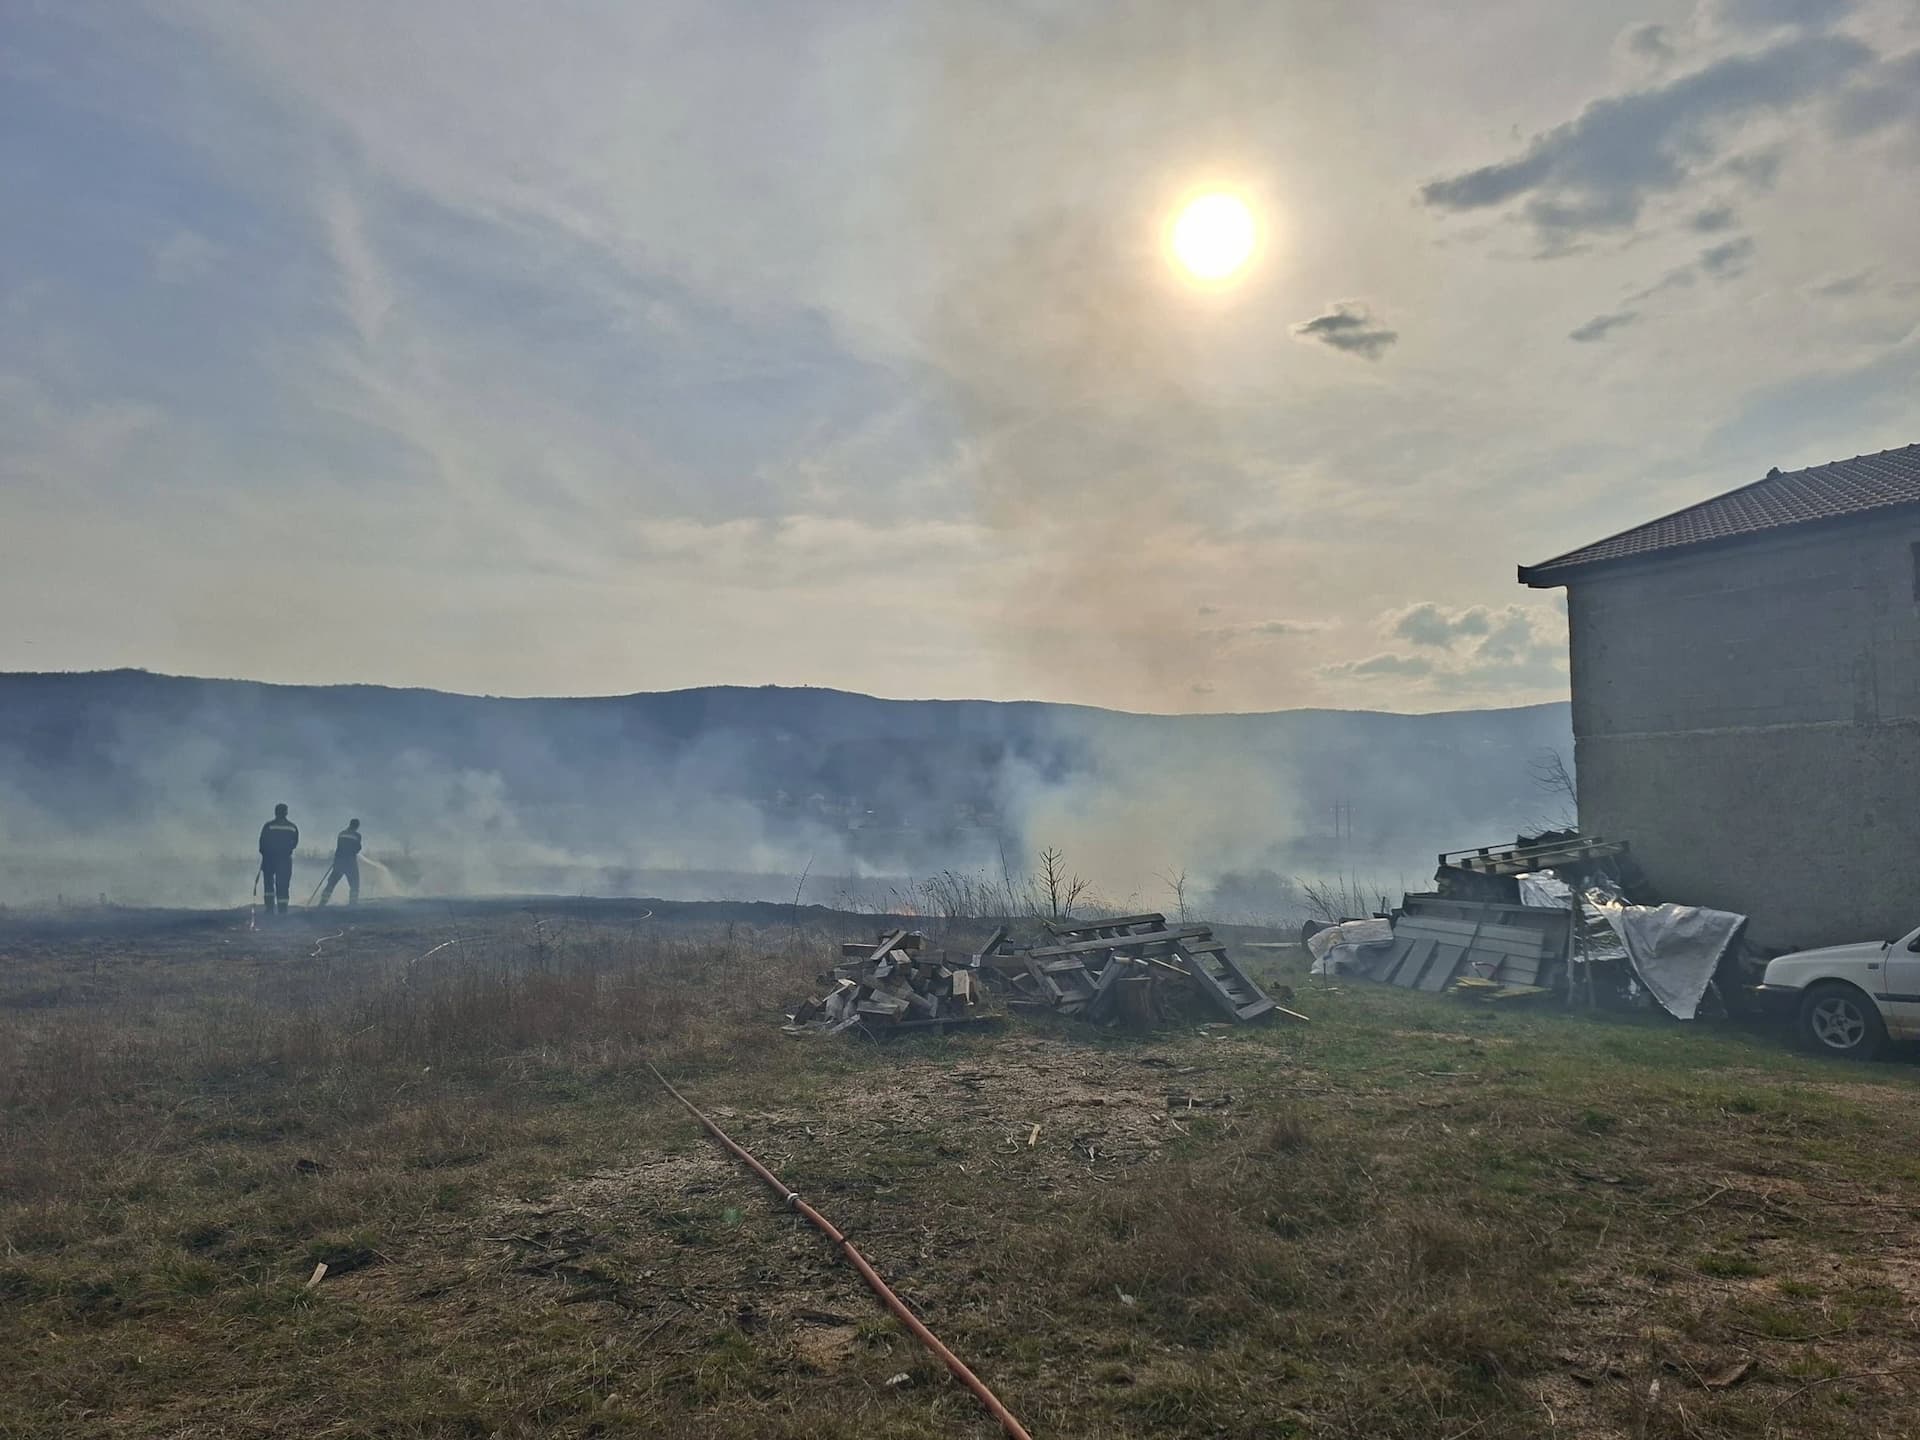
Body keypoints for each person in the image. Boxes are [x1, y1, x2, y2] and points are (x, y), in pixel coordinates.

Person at [257, 803, 299, 918]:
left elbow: (262, 842)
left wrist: (265, 853)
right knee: (283, 885)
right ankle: (283, 910)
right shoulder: (292, 827)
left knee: (269, 884)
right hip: (285, 860)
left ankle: (270, 909)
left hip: (269, 859)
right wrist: (286, 851)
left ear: (275, 812)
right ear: (286, 812)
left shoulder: (268, 826)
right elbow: (295, 843)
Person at [321, 818, 362, 906]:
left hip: (339, 862)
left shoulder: (341, 833)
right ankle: (353, 904)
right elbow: (357, 848)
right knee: (354, 884)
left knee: (331, 883)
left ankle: (322, 903)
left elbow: (339, 847)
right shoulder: (357, 835)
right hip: (350, 863)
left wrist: (337, 860)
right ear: (357, 826)